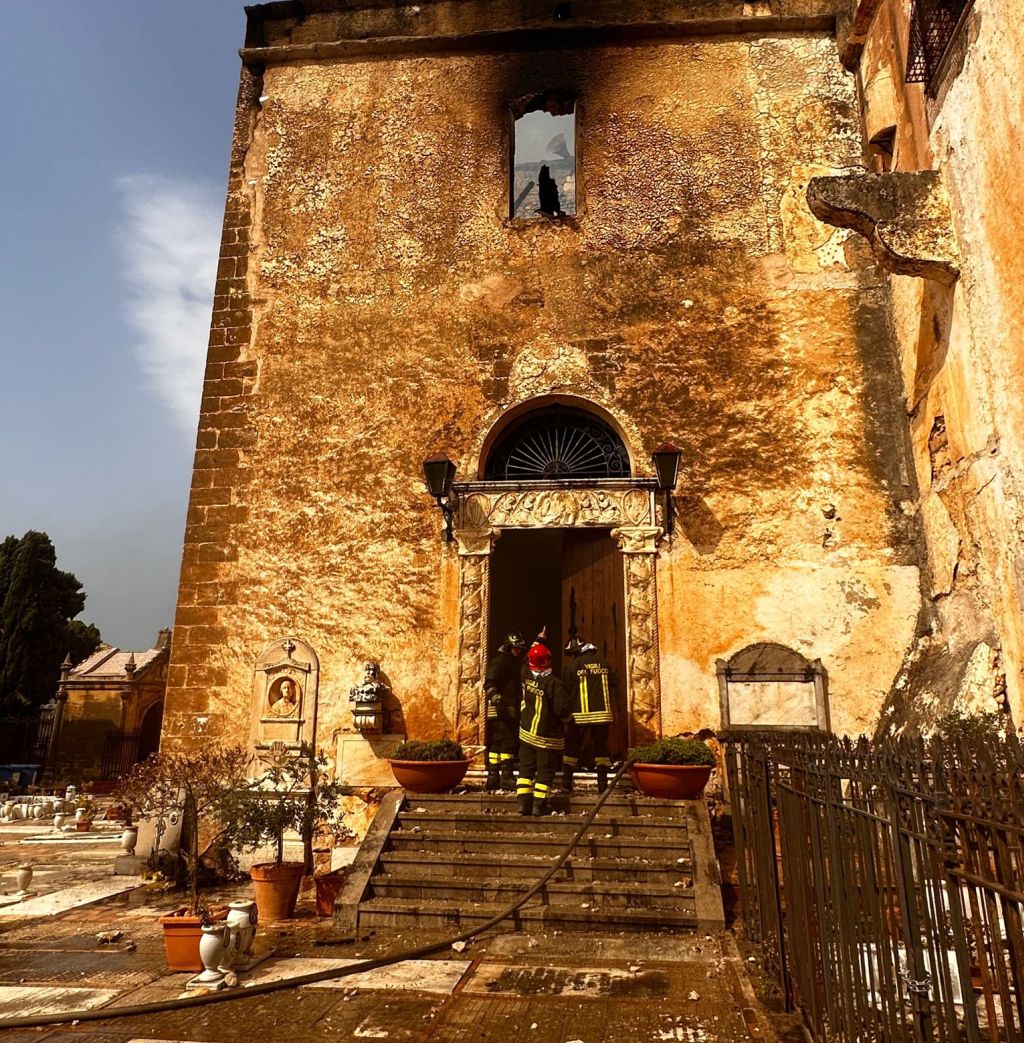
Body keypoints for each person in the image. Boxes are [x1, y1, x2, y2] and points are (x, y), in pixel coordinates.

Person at [517, 638, 572, 817]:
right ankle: (538, 806)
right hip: (546, 737)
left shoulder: (525, 674)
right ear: (548, 661)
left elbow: (526, 661)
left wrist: (537, 641)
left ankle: (524, 804)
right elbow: (562, 709)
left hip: (526, 733)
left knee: (525, 770)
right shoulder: (554, 684)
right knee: (544, 772)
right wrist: (569, 720)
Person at [562, 638, 615, 793]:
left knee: (572, 749)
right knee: (601, 750)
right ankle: (603, 787)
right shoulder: (604, 663)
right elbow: (615, 682)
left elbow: (566, 689)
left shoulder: (573, 666)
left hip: (580, 716)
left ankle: (566, 784)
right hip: (603, 716)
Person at [484, 631, 526, 791]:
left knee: (496, 744)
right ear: (509, 647)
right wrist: (498, 700)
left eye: (520, 649)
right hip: (503, 711)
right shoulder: (501, 661)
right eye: (516, 648)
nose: (518, 651)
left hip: (503, 711)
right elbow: (489, 683)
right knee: (508, 743)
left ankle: (493, 777)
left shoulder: (509, 661)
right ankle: (506, 777)